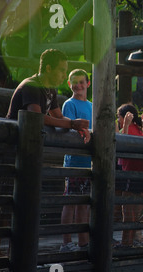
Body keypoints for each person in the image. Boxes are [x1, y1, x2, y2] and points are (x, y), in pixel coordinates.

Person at [0, 49, 90, 258]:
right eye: (61, 70)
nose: (63, 75)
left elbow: (56, 115)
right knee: (7, 198)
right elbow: (36, 116)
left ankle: (15, 250)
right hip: (12, 149)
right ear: (48, 69)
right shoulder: (32, 85)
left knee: (23, 199)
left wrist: (77, 127)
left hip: (28, 151)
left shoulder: (49, 88)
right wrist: (71, 123)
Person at [59, 69, 92, 252]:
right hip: (74, 162)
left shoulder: (93, 106)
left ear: (88, 84)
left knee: (84, 204)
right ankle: (66, 242)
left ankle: (82, 242)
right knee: (70, 202)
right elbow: (70, 127)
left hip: (88, 162)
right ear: (69, 84)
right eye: (74, 82)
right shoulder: (69, 104)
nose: (78, 85)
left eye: (81, 82)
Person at [117, 104, 143, 247]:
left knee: (127, 209)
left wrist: (127, 125)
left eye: (119, 117)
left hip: (130, 172)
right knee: (133, 209)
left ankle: (125, 243)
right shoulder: (140, 130)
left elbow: (124, 144)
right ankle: (130, 241)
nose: (118, 120)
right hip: (139, 173)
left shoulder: (130, 129)